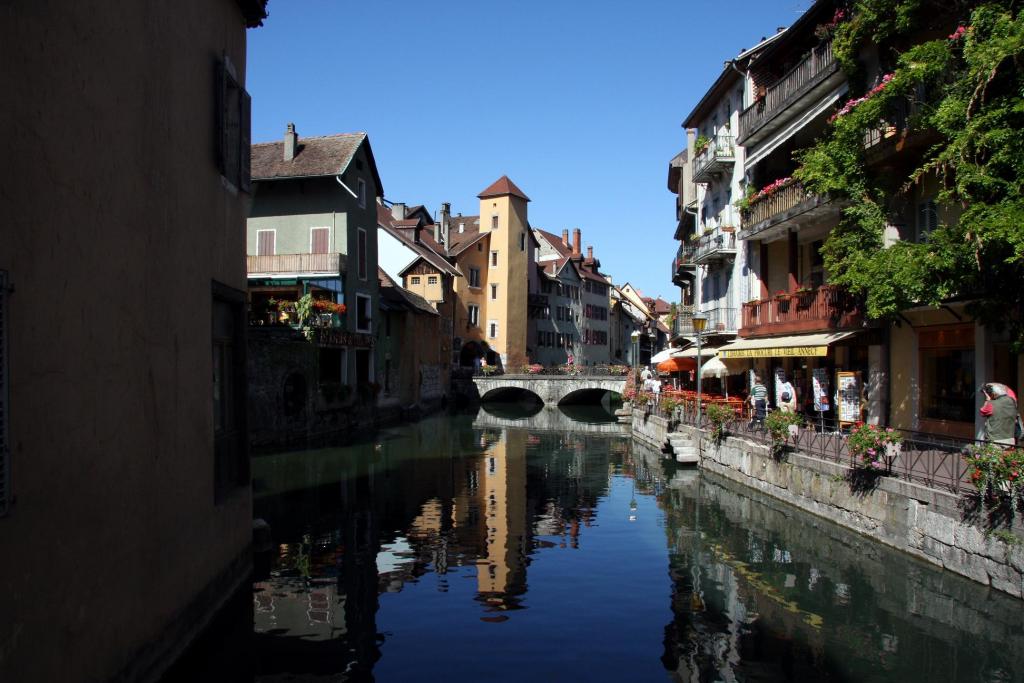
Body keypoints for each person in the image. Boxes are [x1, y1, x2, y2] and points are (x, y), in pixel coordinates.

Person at [980, 382, 1018, 447]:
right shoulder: (1012, 401)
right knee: (1007, 457)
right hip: (1010, 438)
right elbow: (1008, 390)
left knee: (993, 457)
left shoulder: (991, 404)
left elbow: (982, 412)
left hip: (995, 440)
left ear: (993, 394)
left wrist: (987, 399)